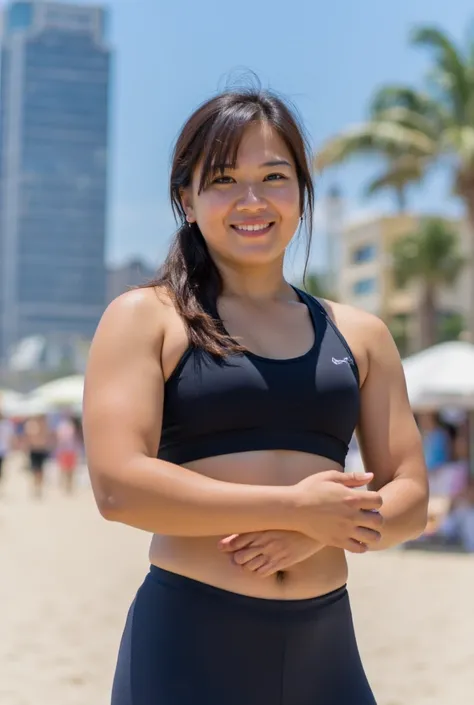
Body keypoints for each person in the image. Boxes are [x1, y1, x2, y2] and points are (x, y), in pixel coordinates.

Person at [83, 87, 429, 705]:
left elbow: (408, 494)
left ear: (301, 192)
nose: (252, 200)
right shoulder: (148, 318)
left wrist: (320, 531)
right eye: (223, 179)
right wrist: (293, 509)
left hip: (327, 653)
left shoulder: (362, 334)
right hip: (188, 645)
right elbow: (118, 485)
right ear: (186, 200)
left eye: (274, 176)